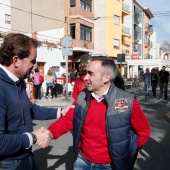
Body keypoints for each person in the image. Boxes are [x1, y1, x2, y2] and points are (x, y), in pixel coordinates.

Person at [46, 56, 150, 170]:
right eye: (86, 73)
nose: (85, 77)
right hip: (82, 161)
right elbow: (68, 120)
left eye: (91, 74)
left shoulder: (126, 101)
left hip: (109, 165)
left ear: (106, 77)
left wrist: (126, 152)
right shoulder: (83, 96)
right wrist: (49, 133)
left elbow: (143, 132)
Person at [0, 33, 72, 170]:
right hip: (9, 164)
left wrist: (61, 112)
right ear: (16, 61)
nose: (34, 66)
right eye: (32, 61)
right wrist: (32, 137)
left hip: (27, 157)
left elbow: (29, 109)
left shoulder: (18, 81)